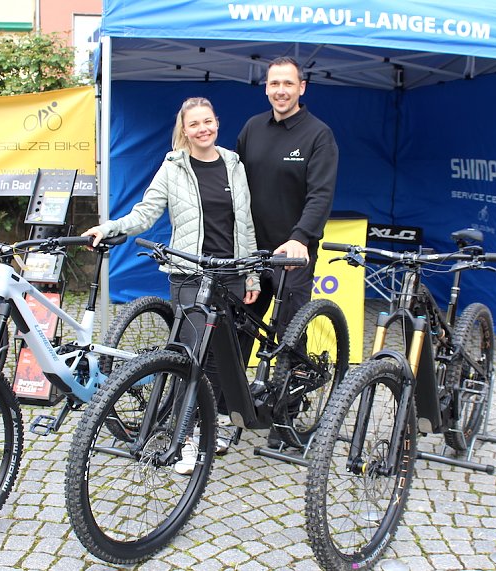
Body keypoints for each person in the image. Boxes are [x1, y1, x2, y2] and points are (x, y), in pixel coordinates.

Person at [82, 97, 260, 474]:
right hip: (190, 273)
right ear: (185, 129)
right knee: (189, 357)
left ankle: (212, 423)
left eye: (208, 121)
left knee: (218, 357)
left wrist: (251, 274)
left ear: (216, 122)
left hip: (228, 271)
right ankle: (186, 437)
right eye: (194, 124)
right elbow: (145, 213)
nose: (203, 129)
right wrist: (109, 228)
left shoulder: (232, 164)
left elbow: (245, 223)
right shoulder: (173, 166)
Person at [236, 56, 339, 448]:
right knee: (237, 327)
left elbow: (320, 195)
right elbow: (236, 186)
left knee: (288, 337)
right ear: (266, 87)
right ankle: (232, 407)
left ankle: (285, 421)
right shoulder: (251, 129)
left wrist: (300, 237)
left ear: (301, 88)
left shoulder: (318, 135)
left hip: (291, 254)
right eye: (274, 83)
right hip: (250, 253)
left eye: (288, 83)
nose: (280, 90)